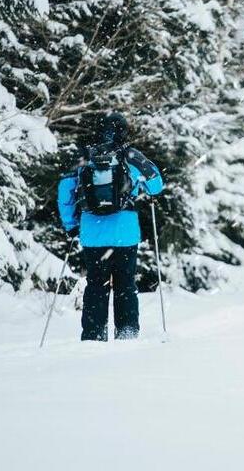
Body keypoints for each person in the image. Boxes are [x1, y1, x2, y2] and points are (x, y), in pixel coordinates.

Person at [57, 112, 164, 341]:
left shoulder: (84, 157)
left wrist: (71, 226)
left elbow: (65, 191)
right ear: (123, 131)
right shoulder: (131, 156)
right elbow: (156, 185)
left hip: (92, 234)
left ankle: (93, 336)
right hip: (124, 235)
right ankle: (126, 334)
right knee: (125, 286)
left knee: (96, 285)